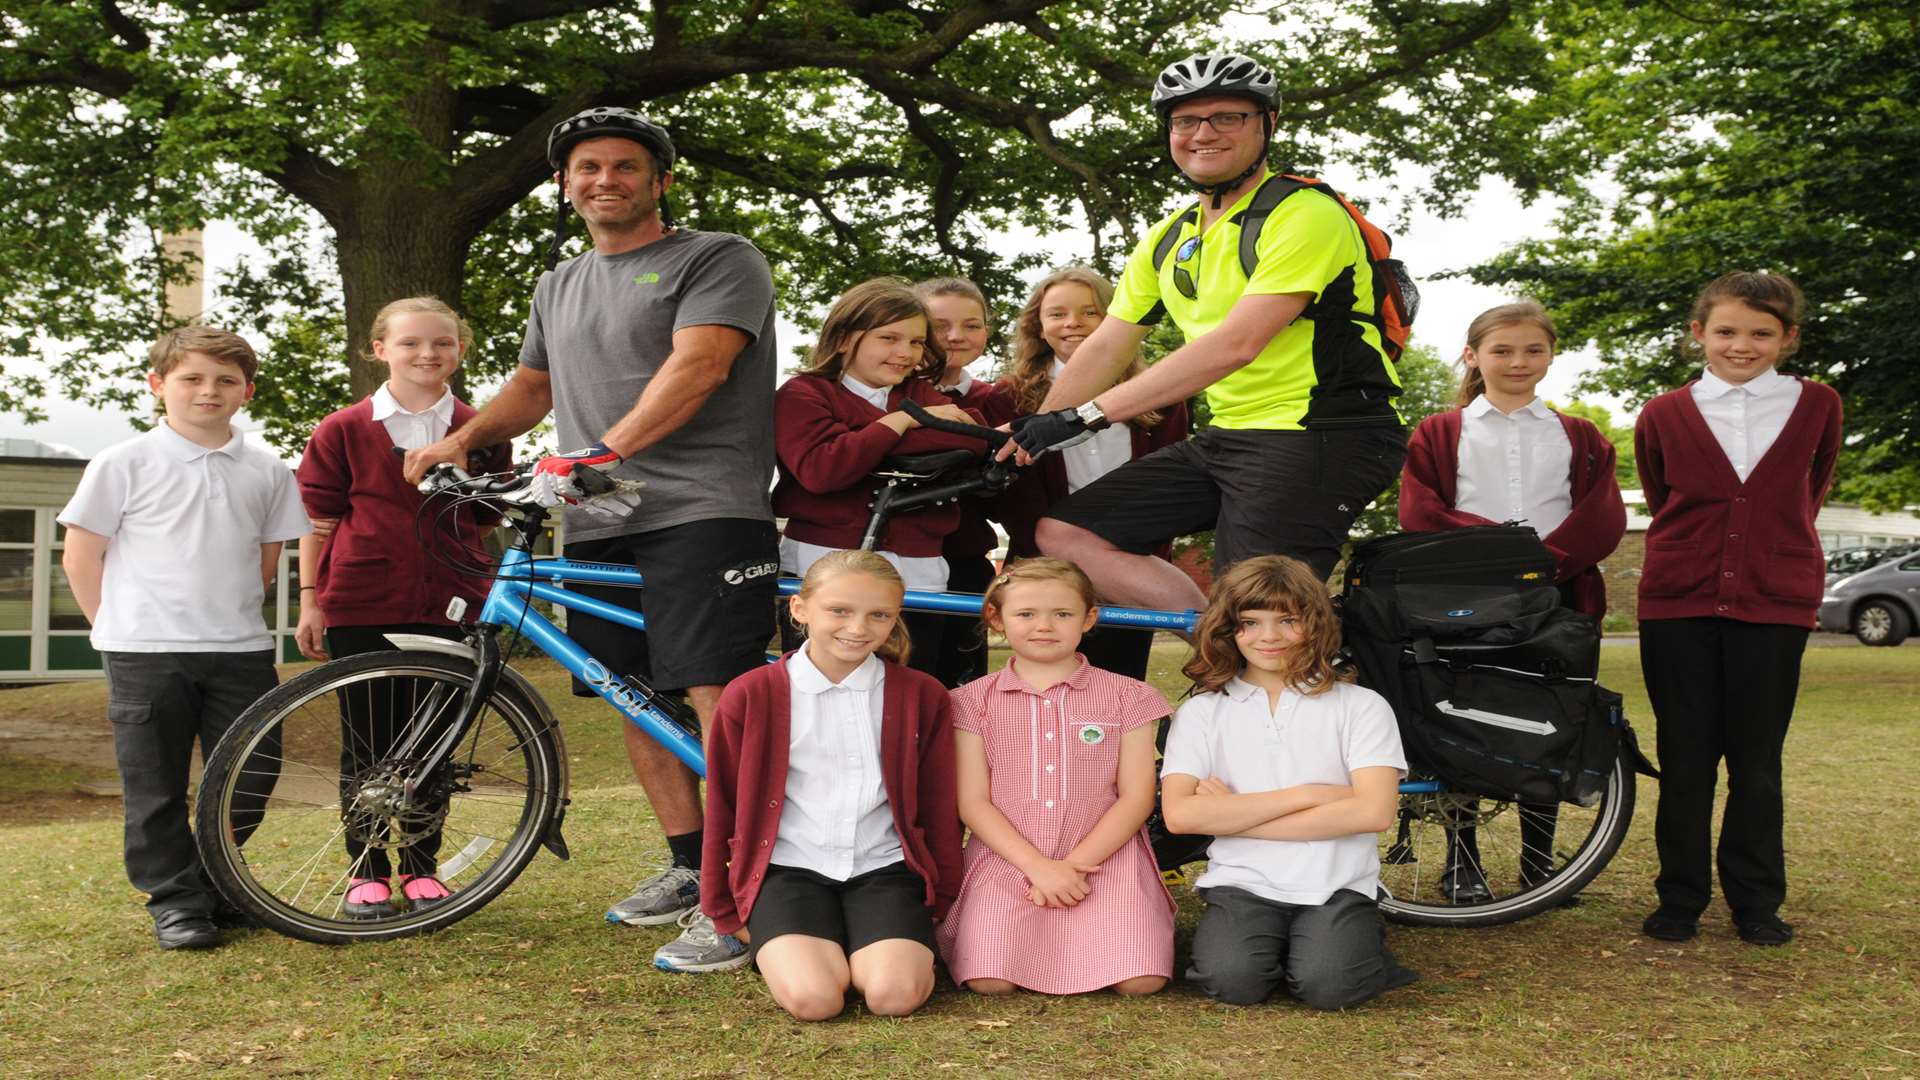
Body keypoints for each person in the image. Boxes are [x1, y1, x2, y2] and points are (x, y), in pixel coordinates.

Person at [403, 107, 780, 972]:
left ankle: (754, 892)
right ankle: (692, 866)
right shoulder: (558, 282)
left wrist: (602, 449)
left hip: (702, 508)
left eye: (623, 166)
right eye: (586, 169)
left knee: (716, 693)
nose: (603, 179)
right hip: (601, 517)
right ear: (567, 186)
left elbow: (701, 365)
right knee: (630, 693)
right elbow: (534, 385)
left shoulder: (717, 258)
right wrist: (461, 440)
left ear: (660, 181)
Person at [1008, 52, 1406, 610]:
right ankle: (1219, 644)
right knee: (1067, 534)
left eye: (1227, 117)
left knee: (1256, 604)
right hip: (1233, 433)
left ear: (1267, 124)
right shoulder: (1171, 235)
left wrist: (1086, 417)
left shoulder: (1305, 214)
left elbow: (1236, 344)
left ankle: (1266, 659)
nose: (1203, 134)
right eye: (1185, 121)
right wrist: (1024, 435)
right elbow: (1110, 341)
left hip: (1323, 430)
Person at [57, 326, 310, 950]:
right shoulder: (123, 463)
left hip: (240, 649)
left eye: (225, 380)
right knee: (156, 785)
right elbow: (81, 557)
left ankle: (213, 886)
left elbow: (266, 558)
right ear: (158, 385)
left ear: (246, 391)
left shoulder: (268, 469)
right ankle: (176, 903)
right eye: (191, 378)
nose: (208, 391)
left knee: (250, 777)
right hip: (145, 651)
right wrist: (112, 628)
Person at [1634, 272, 1842, 947]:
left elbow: (1807, 491)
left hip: (1774, 600)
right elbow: (1664, 498)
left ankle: (1756, 901)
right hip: (1677, 602)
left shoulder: (1817, 406)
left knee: (1757, 761)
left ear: (1788, 338)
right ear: (1699, 334)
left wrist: (1766, 558)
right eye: (1726, 331)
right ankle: (1681, 898)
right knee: (1686, 757)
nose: (1741, 345)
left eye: (1760, 333)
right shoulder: (1664, 413)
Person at [1397, 300, 1627, 902]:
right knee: (1463, 721)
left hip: (1561, 593)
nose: (1518, 361)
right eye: (1502, 350)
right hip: (1467, 601)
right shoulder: (1440, 433)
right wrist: (1501, 558)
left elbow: (1602, 515)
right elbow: (1420, 511)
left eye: (1533, 350)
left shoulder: (1580, 436)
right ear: (1474, 356)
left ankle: (1538, 861)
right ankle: (1462, 856)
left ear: (1551, 355)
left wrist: (1541, 564)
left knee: (1550, 722)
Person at [294, 296, 512, 917]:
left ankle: (422, 866)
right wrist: (311, 601)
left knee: (432, 742)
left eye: (442, 344)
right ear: (380, 349)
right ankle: (366, 871)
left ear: (461, 352)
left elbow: (485, 517)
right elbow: (318, 521)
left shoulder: (484, 429)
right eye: (411, 343)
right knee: (366, 740)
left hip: (450, 603)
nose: (427, 354)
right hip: (360, 600)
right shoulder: (342, 429)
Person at [700, 551, 963, 1018]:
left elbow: (940, 805)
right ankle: (817, 943)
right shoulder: (751, 693)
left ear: (895, 618)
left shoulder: (921, 695)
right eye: (839, 610)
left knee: (893, 996)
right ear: (800, 609)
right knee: (814, 1000)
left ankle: (867, 942)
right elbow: (723, 801)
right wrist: (722, 905)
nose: (858, 627)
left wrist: (940, 896)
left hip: (884, 870)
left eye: (878, 614)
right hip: (786, 870)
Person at [1160, 556, 1416, 1008]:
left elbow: (1372, 812)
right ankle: (1282, 947)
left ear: (1314, 624)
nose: (1269, 637)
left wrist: (1230, 815)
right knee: (1232, 982)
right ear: (1227, 628)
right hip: (1242, 882)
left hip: (1336, 883)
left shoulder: (1360, 706)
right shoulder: (1203, 712)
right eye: (1250, 622)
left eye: (1287, 620)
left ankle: (1344, 943)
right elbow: (1181, 816)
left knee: (1329, 987)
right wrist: (1311, 795)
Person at [938, 558, 1174, 996]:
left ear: (1088, 618)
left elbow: (1136, 797)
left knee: (1141, 981)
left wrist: (1074, 866)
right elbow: (972, 801)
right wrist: (1039, 868)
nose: (1044, 626)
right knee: (990, 981)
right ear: (997, 619)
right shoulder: (970, 702)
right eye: (1026, 614)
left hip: (1105, 854)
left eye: (1062, 614)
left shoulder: (1130, 696)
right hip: (1010, 854)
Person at [772, 277, 987, 679]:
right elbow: (823, 470)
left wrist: (862, 443)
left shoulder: (920, 392)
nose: (905, 353)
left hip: (921, 571)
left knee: (916, 689)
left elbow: (972, 441)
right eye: (889, 338)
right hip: (826, 564)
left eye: (916, 342)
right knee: (826, 688)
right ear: (843, 339)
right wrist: (900, 421)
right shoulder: (804, 394)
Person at [993, 266, 1189, 678]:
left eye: (1089, 312)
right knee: (1042, 694)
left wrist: (1127, 558)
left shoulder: (1160, 394)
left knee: (1119, 688)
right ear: (1038, 326)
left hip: (1130, 566)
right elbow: (1011, 494)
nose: (1073, 324)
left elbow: (1171, 488)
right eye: (1058, 314)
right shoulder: (1008, 396)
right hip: (1043, 574)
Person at [915, 276, 1016, 687]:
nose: (956, 336)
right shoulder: (884, 394)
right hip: (894, 559)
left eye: (972, 325)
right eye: (940, 326)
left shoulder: (998, 399)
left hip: (964, 559)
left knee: (962, 687)